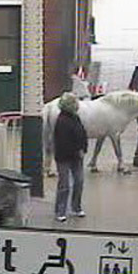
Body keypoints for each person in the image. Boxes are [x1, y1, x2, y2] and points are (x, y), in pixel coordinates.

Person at [54, 92, 88, 222]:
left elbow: (82, 134)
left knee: (79, 181)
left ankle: (76, 207)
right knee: (64, 185)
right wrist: (78, 151)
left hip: (76, 155)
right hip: (64, 157)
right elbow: (63, 141)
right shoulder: (62, 121)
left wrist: (83, 148)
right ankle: (60, 211)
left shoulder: (75, 118)